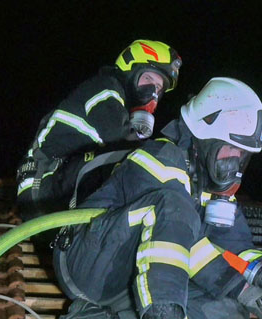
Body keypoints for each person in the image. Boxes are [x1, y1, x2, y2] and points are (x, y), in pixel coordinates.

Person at [53, 78, 262, 319]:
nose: (235, 163)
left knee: (231, 313)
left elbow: (233, 249)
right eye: (230, 149)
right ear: (205, 138)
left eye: (243, 155)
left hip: (133, 283)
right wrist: (241, 287)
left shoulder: (207, 183)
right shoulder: (159, 161)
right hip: (88, 265)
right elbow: (185, 240)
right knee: (176, 211)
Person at [16, 40, 182, 222]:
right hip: (44, 184)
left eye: (159, 88)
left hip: (58, 184)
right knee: (133, 163)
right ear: (130, 69)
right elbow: (120, 140)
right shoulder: (106, 90)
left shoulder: (120, 105)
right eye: (148, 79)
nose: (152, 92)